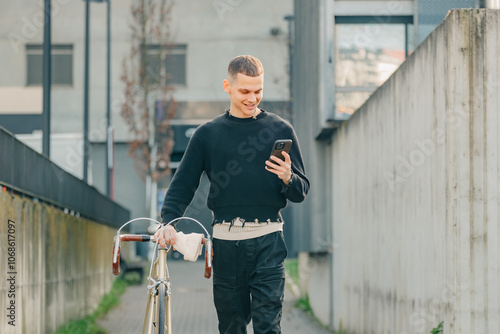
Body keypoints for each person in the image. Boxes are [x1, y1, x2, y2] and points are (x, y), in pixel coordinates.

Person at [154, 55, 310, 334]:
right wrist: (168, 222)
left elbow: (301, 192)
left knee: (268, 327)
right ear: (228, 86)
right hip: (227, 246)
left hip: (269, 241)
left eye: (258, 91)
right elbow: (182, 185)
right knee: (231, 328)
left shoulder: (280, 130)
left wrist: (288, 177)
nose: (253, 98)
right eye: (245, 91)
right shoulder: (207, 135)